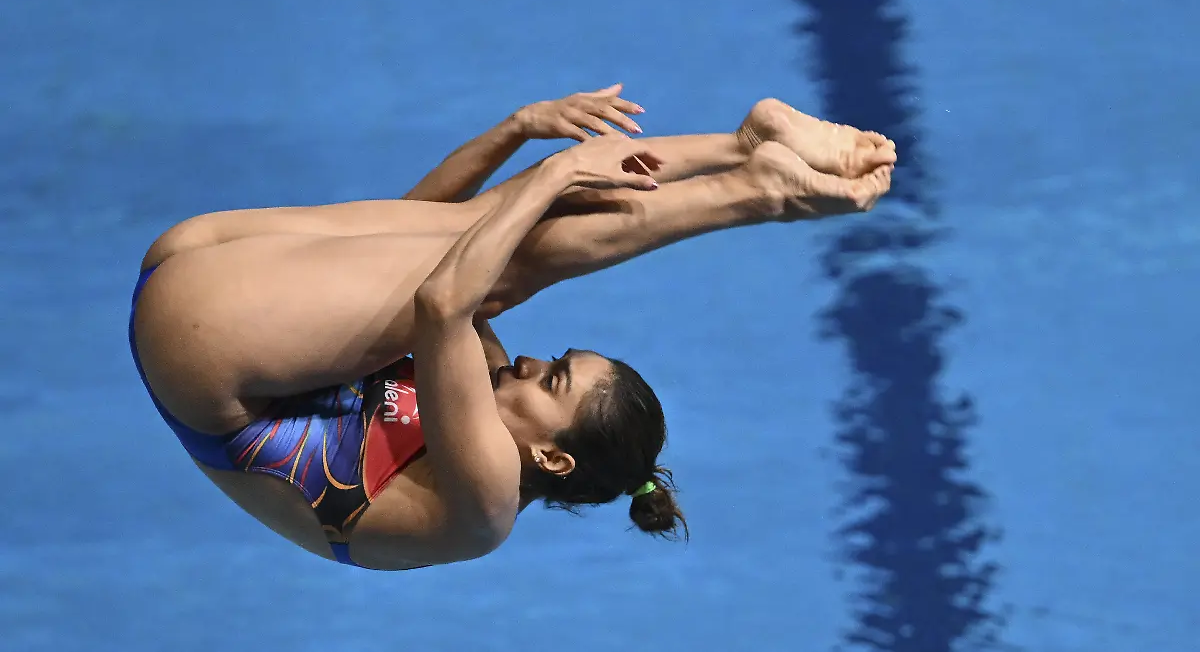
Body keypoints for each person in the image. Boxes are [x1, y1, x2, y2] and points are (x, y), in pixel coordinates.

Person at [129, 86, 896, 570]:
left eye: (553, 379)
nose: (529, 360)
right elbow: (422, 224)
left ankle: (763, 190)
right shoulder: (483, 369)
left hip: (202, 357)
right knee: (489, 235)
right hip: (200, 266)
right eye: (554, 361)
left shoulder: (484, 503)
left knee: (510, 255)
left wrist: (557, 173)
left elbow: (439, 301)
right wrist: (516, 131)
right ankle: (745, 148)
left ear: (552, 459)